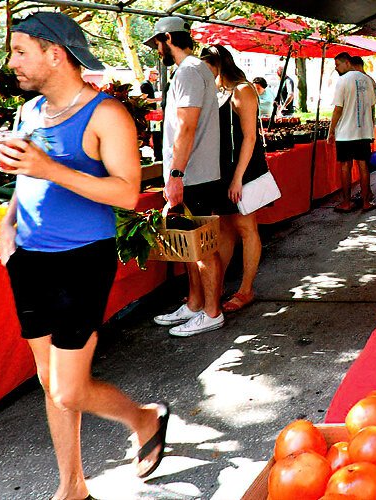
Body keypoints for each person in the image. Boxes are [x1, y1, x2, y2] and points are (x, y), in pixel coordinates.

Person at [0, 12, 168, 497]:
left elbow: (127, 193)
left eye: (20, 51)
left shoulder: (106, 114)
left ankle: (143, 417)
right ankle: (72, 487)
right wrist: (8, 225)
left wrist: (50, 168)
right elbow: (26, 176)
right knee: (49, 382)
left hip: (80, 260)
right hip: (28, 257)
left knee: (69, 389)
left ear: (55, 54)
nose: (12, 62)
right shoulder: (30, 112)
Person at [149, 16, 228, 337]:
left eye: (157, 43)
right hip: (193, 173)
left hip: (195, 175)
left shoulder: (189, 71)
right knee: (191, 247)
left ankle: (212, 312)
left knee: (203, 247)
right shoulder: (193, 70)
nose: (157, 50)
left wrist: (176, 175)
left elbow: (187, 126)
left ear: (168, 38)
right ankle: (196, 304)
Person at [199, 45, 270, 314]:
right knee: (226, 228)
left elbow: (250, 137)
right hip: (224, 170)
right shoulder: (217, 92)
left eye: (207, 68)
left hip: (244, 169)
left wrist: (238, 178)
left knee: (245, 226)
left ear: (218, 65)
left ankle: (246, 289)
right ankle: (214, 287)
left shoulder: (242, 90)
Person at [328, 52, 376, 212]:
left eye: (337, 65)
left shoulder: (342, 81)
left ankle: (346, 202)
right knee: (363, 165)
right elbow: (371, 104)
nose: (336, 68)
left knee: (345, 166)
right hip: (363, 131)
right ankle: (365, 202)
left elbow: (338, 108)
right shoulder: (368, 80)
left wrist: (331, 130)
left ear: (347, 63)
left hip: (345, 132)